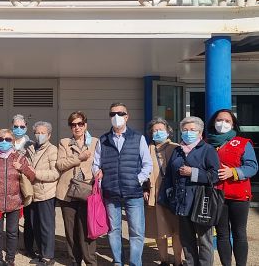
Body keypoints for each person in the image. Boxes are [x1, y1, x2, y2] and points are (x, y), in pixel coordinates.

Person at [94, 103, 153, 266]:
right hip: (111, 191)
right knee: (114, 230)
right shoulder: (103, 140)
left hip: (133, 192)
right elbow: (96, 163)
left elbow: (147, 164)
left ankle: (135, 263)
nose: (116, 117)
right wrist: (97, 173)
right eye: (113, 113)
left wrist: (138, 180)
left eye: (120, 113)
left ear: (127, 116)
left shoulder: (138, 137)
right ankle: (118, 261)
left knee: (137, 232)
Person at [160, 116, 220, 266]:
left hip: (200, 202)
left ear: (200, 133)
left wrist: (193, 172)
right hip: (181, 202)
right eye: (185, 130)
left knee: (204, 240)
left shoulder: (207, 149)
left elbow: (215, 175)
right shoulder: (177, 151)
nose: (188, 133)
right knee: (186, 240)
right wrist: (168, 195)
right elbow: (169, 175)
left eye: (192, 130)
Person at [206, 109, 258, 266]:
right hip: (217, 194)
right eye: (219, 120)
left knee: (239, 233)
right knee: (221, 234)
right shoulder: (206, 143)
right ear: (213, 122)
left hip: (239, 195)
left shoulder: (243, 143)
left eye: (227, 121)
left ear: (233, 124)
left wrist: (233, 172)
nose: (222, 123)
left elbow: (252, 167)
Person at [0, 129, 36, 266]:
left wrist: (22, 168)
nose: (4, 142)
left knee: (12, 233)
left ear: (13, 141)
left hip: (14, 202)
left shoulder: (19, 157)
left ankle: (10, 260)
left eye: (8, 139)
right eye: (1, 139)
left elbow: (32, 177)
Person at [56, 111, 98, 266]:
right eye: (73, 125)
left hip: (87, 191)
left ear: (85, 125)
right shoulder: (64, 142)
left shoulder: (95, 142)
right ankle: (75, 261)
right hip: (68, 191)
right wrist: (78, 158)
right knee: (71, 231)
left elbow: (100, 164)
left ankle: (90, 261)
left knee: (87, 229)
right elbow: (60, 164)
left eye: (80, 124)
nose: (77, 127)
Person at [144, 118, 183, 266]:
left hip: (174, 196)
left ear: (168, 132)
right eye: (154, 130)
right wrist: (144, 189)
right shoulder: (147, 149)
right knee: (159, 231)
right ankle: (164, 260)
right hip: (155, 195)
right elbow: (142, 171)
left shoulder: (177, 148)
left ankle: (178, 261)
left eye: (161, 129)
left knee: (176, 230)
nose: (157, 132)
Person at [25, 121, 59, 266]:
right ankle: (41, 253)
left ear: (49, 135)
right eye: (37, 133)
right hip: (33, 193)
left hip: (46, 193)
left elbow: (55, 173)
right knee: (35, 225)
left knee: (46, 226)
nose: (39, 135)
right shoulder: (31, 148)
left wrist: (35, 173)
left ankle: (48, 256)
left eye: (42, 133)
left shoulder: (52, 150)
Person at [11, 114, 35, 257]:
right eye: (16, 126)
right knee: (12, 217)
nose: (19, 129)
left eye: (22, 126)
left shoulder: (31, 144)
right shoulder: (7, 141)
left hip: (26, 184)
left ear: (26, 127)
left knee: (28, 217)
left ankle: (29, 247)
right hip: (10, 184)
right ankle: (11, 246)